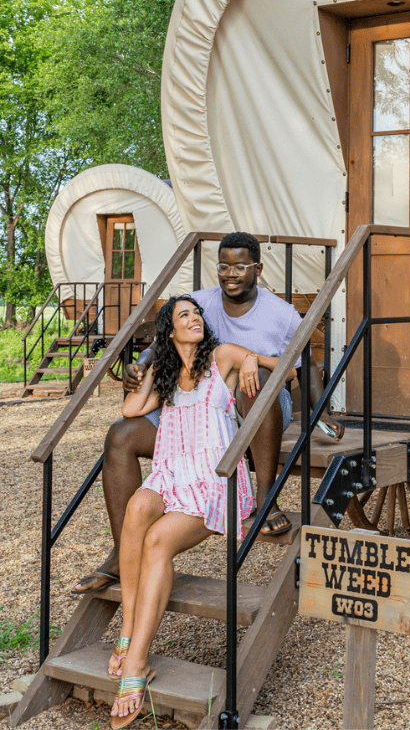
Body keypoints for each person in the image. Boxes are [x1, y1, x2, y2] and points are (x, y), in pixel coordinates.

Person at [73, 231, 339, 595]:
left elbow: (306, 363)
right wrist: (140, 365)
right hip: (200, 413)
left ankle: (265, 497)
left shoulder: (281, 313)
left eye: (241, 267)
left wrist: (321, 410)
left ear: (258, 269)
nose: (231, 274)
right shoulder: (198, 304)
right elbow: (160, 342)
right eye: (224, 266)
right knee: (120, 434)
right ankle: (123, 550)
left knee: (258, 378)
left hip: (258, 412)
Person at [107, 293, 290, 727]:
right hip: (172, 477)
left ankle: (135, 663)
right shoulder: (168, 374)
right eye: (183, 316)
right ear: (168, 331)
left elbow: (278, 365)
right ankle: (129, 631)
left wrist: (250, 362)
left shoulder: (221, 357)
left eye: (196, 314)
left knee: (157, 541)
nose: (194, 319)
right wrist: (153, 364)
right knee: (137, 509)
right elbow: (130, 408)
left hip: (212, 482)